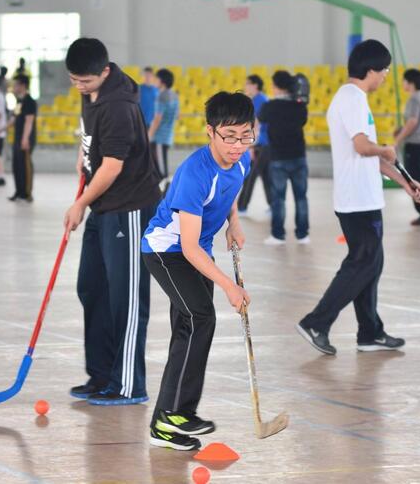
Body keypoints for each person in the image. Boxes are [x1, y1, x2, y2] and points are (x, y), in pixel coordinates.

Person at [296, 40, 420, 356]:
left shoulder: (353, 99)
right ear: (371, 70)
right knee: (362, 263)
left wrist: (404, 182)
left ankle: (370, 332)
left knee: (371, 263)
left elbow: (370, 157)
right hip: (358, 201)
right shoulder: (352, 99)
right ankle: (316, 322)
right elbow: (364, 148)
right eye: (384, 71)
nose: (385, 77)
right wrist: (386, 149)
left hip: (362, 197)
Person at [142, 91, 252, 451]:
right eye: (230, 137)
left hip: (196, 251)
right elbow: (186, 247)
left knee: (188, 327)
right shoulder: (194, 172)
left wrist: (233, 222)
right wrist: (228, 287)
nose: (238, 145)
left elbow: (230, 191)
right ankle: (178, 412)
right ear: (210, 131)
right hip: (166, 250)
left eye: (246, 135)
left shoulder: (241, 161)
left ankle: (165, 423)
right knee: (200, 317)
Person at [64, 38, 162, 406]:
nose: (79, 87)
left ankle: (128, 384)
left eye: (85, 81)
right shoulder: (90, 92)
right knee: (92, 289)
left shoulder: (119, 106)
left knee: (127, 299)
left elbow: (114, 166)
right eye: (74, 80)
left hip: (130, 208)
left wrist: (80, 203)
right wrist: (82, 155)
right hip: (104, 206)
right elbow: (91, 138)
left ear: (104, 72)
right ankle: (101, 374)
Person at [259, 70, 309, 245]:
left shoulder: (270, 107)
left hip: (278, 158)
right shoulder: (300, 105)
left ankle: (278, 235)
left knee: (278, 199)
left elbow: (260, 121)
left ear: (276, 86)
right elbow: (303, 121)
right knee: (301, 197)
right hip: (298, 156)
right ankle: (303, 235)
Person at [394, 68, 420, 225]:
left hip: (415, 143)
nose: (403, 84)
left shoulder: (414, 100)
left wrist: (398, 138)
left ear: (410, 83)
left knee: (415, 179)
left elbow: (412, 122)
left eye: (404, 81)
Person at [237, 74, 271, 215]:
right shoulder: (257, 100)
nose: (245, 87)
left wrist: (250, 146)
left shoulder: (260, 101)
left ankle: (242, 207)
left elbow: (257, 125)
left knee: (251, 175)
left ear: (255, 85)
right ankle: (274, 205)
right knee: (266, 175)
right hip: (263, 143)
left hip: (261, 144)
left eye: (247, 84)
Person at [8, 75, 37, 202]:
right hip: (17, 137)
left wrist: (25, 139)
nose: (14, 87)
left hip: (25, 138)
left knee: (25, 166)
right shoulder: (19, 101)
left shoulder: (30, 101)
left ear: (23, 85)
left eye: (16, 85)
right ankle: (18, 191)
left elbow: (29, 121)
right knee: (16, 165)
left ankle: (27, 193)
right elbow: (13, 120)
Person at [147, 68, 179, 180]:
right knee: (159, 166)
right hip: (168, 136)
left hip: (159, 137)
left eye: (157, 79)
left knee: (161, 170)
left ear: (162, 81)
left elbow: (157, 119)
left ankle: (166, 192)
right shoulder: (174, 95)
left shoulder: (161, 96)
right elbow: (176, 116)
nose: (155, 81)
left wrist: (149, 135)